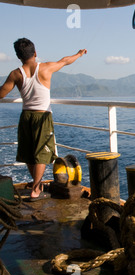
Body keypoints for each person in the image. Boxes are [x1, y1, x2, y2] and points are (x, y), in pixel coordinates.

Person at [0, 38, 87, 201]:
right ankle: (35, 189)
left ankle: (37, 185)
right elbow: (65, 61)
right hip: (43, 116)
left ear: (19, 56)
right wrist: (79, 54)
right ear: (35, 53)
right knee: (41, 152)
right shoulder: (46, 68)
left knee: (28, 152)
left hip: (26, 116)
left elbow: (1, 93)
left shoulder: (16, 74)